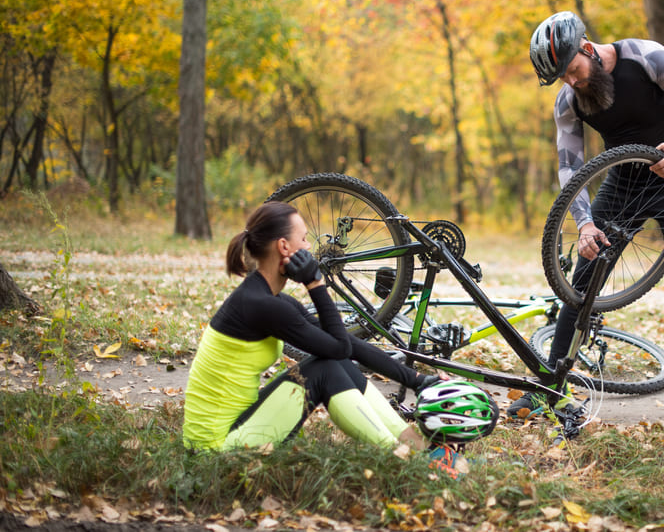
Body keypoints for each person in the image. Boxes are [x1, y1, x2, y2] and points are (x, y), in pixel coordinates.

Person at [511, 11, 664, 431]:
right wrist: (586, 224)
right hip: (621, 186)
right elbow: (570, 169)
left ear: (587, 48)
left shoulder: (645, 57)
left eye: (572, 69)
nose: (572, 81)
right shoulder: (568, 100)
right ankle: (553, 388)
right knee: (580, 286)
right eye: (562, 77)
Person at [182, 201, 464, 471]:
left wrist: (417, 380)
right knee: (327, 367)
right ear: (284, 247)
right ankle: (408, 462)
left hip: (236, 426)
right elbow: (340, 347)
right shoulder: (261, 305)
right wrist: (316, 284)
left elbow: (347, 345)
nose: (309, 247)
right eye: (303, 240)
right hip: (214, 448)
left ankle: (421, 451)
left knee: (332, 361)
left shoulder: (267, 298)